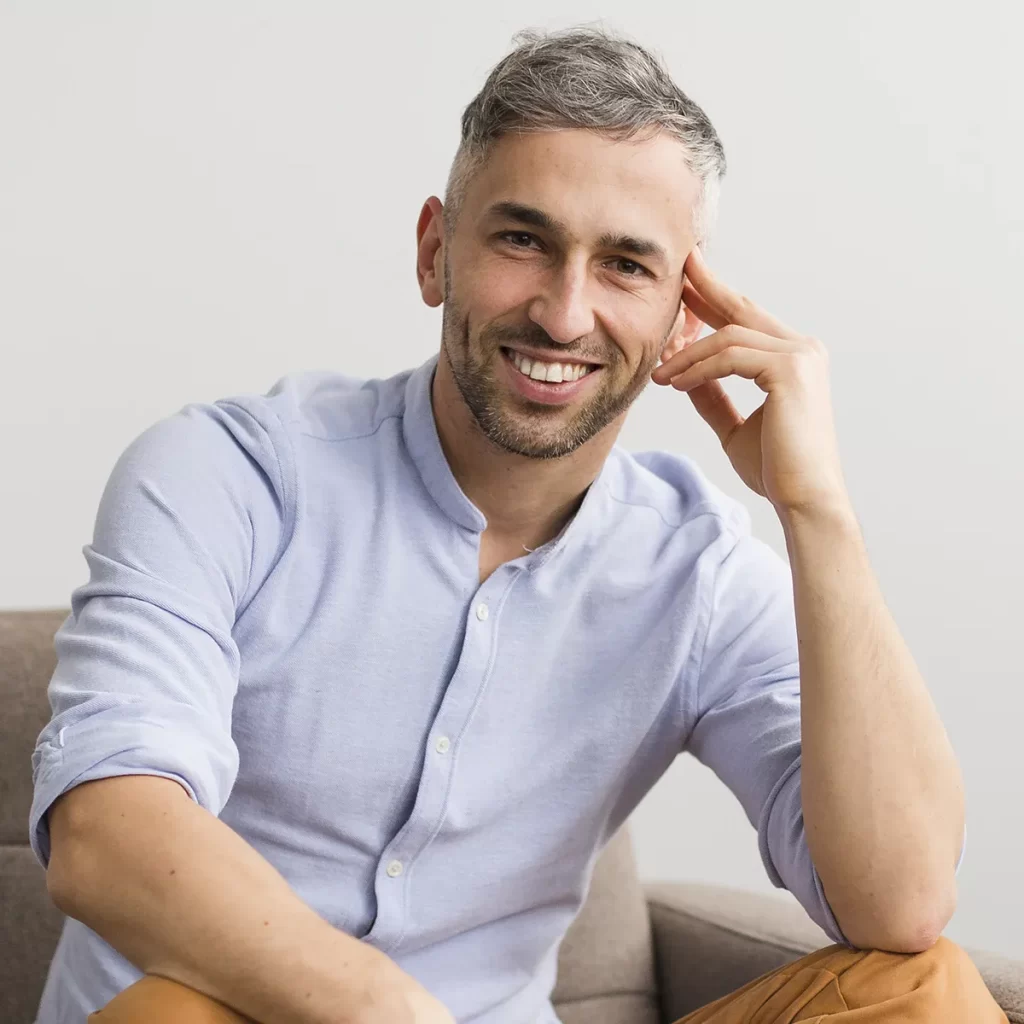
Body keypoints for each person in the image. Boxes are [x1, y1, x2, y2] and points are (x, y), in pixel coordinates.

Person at [30, 25, 1005, 1024]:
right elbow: (108, 830)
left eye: (625, 263)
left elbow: (898, 901)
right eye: (522, 240)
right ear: (432, 253)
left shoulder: (695, 568)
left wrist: (818, 511)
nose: (564, 311)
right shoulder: (230, 474)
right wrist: (388, 1011)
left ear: (681, 313)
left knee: (920, 990)